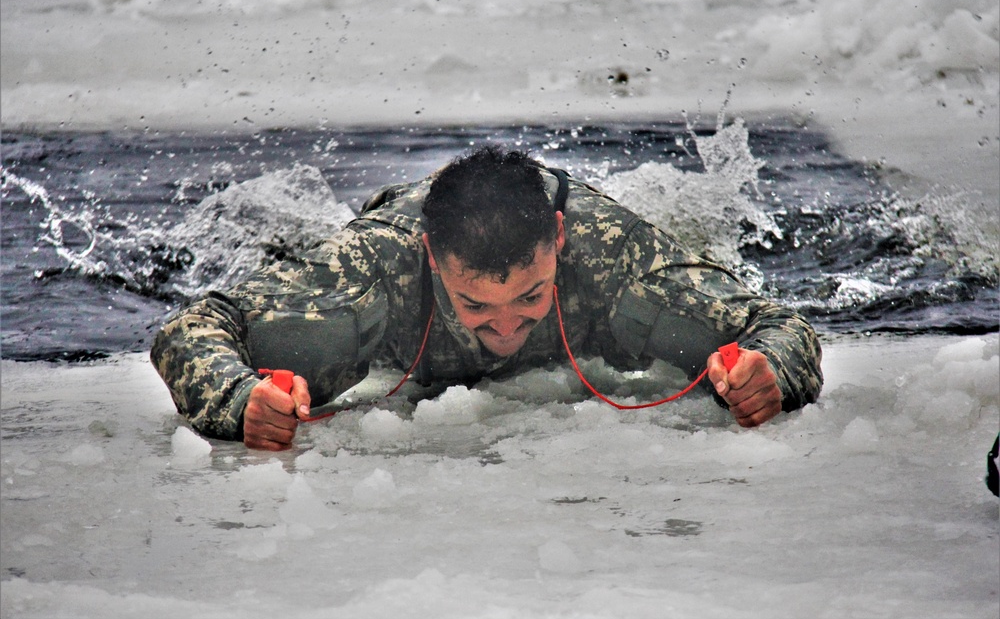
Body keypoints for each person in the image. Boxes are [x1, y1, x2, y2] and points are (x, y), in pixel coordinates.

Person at [151, 145, 824, 451]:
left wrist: (771, 373)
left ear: (558, 240)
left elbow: (779, 325)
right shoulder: (371, 271)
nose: (505, 326)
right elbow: (193, 326)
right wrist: (241, 401)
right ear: (433, 260)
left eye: (530, 295)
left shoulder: (614, 259)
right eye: (476, 305)